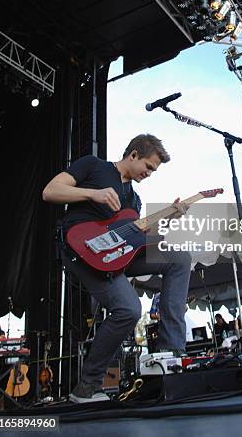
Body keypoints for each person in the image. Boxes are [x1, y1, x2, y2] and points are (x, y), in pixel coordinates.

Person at [43, 134, 192, 404]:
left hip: (117, 254)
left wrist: (171, 214)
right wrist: (92, 193)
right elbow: (50, 191)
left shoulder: (133, 200)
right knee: (129, 309)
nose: (149, 174)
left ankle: (171, 352)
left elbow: (135, 236)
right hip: (81, 250)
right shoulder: (93, 166)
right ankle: (86, 388)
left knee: (179, 257)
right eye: (148, 167)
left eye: (153, 171)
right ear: (133, 155)